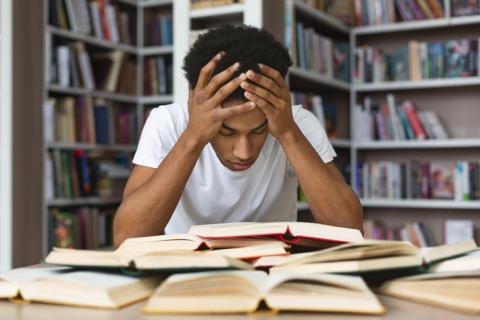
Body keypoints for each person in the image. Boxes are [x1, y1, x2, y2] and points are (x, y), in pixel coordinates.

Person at [113, 25, 363, 247]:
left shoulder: (296, 123)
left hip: (271, 272)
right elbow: (127, 238)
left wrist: (287, 133)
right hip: (184, 274)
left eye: (258, 130)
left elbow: (350, 230)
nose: (244, 152)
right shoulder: (168, 122)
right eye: (226, 131)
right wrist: (194, 137)